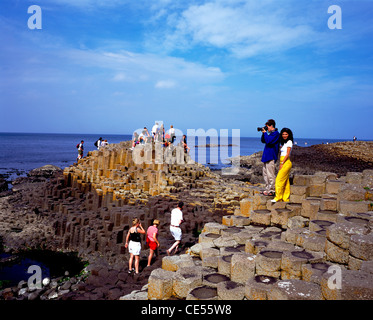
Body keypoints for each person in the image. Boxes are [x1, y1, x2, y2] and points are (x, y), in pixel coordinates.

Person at [272, 128, 294, 203]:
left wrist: (282, 163)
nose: (284, 135)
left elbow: (287, 154)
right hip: (283, 161)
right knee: (286, 181)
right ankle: (285, 198)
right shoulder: (284, 143)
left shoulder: (289, 142)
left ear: (289, 135)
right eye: (283, 134)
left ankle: (278, 197)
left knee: (278, 180)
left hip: (286, 162)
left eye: (286, 134)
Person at [260, 119, 280, 196]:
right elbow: (263, 140)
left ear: (271, 126)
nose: (266, 128)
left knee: (270, 175)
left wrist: (265, 133)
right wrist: (263, 133)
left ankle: (272, 190)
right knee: (265, 174)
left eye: (267, 127)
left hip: (271, 157)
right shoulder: (270, 134)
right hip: (266, 157)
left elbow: (268, 141)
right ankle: (267, 189)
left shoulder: (276, 134)